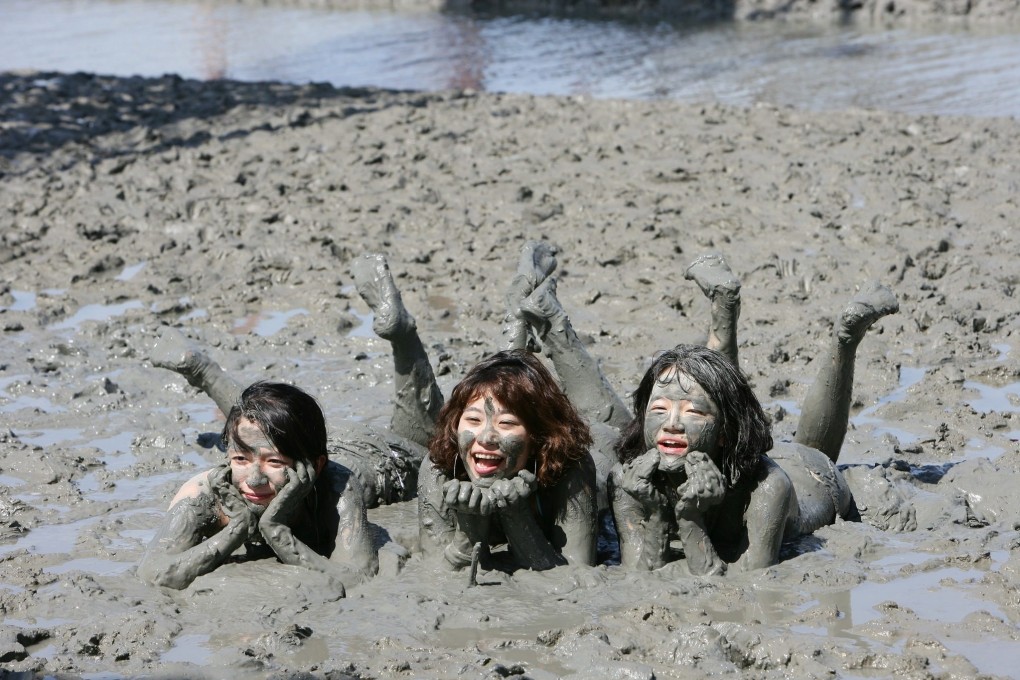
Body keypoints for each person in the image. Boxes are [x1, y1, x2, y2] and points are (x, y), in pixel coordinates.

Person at [508, 247, 899, 574]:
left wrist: (691, 518)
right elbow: (640, 575)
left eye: (693, 415)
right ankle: (553, 321)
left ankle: (844, 338)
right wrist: (659, 514)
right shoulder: (631, 474)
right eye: (657, 411)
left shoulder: (769, 488)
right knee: (677, 397)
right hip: (719, 444)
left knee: (815, 454)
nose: (672, 424)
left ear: (727, 430)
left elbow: (748, 590)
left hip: (801, 473)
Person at [349, 250, 598, 571]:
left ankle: (552, 323)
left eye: (507, 424)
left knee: (599, 414)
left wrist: (515, 513)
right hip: (515, 420)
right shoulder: (439, 466)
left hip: (591, 446)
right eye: (473, 420)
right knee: (506, 385)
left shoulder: (573, 468)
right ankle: (518, 313)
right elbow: (436, 571)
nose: (486, 438)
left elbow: (577, 574)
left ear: (539, 436)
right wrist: (468, 530)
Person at [137, 381, 377, 591]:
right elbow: (154, 573)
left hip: (365, 452)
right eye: (240, 459)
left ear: (316, 465)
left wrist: (275, 530)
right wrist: (238, 528)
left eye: (274, 462)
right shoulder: (204, 494)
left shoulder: (337, 486)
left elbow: (358, 578)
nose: (253, 480)